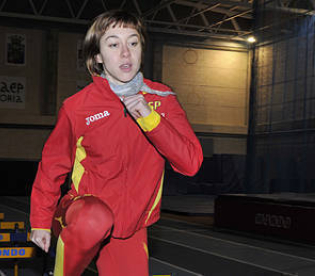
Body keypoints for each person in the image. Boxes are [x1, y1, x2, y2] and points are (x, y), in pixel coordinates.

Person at [30, 10, 203, 276]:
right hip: (81, 213)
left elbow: (190, 163)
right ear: (97, 56)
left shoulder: (163, 100)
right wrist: (40, 222)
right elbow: (52, 167)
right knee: (96, 217)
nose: (125, 53)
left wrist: (150, 119)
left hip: (130, 227)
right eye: (113, 44)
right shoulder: (77, 107)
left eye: (133, 43)